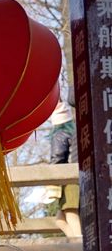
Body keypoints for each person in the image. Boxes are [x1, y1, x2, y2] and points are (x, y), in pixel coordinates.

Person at [49, 100, 81, 238]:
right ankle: (77, 243)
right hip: (77, 174)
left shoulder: (60, 133)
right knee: (60, 220)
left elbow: (58, 156)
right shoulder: (74, 131)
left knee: (71, 214)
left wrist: (50, 178)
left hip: (69, 177)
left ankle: (80, 246)